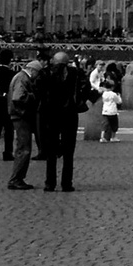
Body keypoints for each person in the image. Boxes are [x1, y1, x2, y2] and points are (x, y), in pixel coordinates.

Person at [38, 51, 92, 193]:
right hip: (70, 114)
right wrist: (79, 100)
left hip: (50, 114)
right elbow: (86, 88)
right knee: (69, 151)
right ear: (68, 61)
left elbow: (38, 90)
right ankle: (67, 183)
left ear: (53, 61)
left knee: (50, 151)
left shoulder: (45, 73)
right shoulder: (76, 73)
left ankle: (50, 183)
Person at [7, 58, 45, 191]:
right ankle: (16, 179)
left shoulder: (20, 77)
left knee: (23, 147)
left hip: (19, 115)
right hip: (21, 115)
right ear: (33, 70)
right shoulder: (23, 78)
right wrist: (34, 96)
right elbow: (18, 97)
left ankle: (17, 178)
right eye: (38, 73)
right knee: (24, 148)